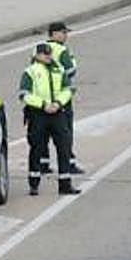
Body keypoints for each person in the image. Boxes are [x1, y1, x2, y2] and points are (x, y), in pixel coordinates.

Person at [19, 42, 78, 196]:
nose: (48, 56)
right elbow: (24, 94)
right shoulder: (30, 72)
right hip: (38, 114)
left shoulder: (59, 70)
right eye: (45, 54)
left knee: (64, 147)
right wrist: (43, 104)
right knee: (36, 148)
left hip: (57, 112)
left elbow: (68, 89)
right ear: (37, 56)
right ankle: (34, 183)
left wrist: (58, 103)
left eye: (49, 54)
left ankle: (65, 184)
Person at [44, 20, 83, 174]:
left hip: (43, 98)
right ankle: (69, 163)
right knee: (65, 132)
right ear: (54, 34)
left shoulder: (39, 49)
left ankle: (43, 164)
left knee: (43, 134)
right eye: (63, 32)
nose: (66, 36)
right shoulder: (61, 50)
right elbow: (71, 70)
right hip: (61, 97)